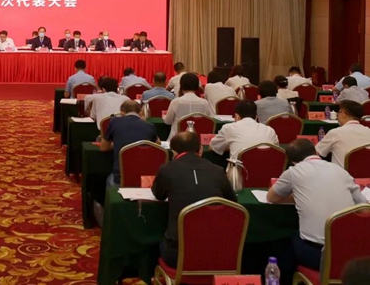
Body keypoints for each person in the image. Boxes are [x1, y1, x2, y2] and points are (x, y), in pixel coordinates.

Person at [267, 138, 366, 271]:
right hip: (349, 252)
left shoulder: (294, 171)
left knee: (283, 241)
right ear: (316, 152)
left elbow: (272, 197)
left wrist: (296, 197)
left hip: (317, 254)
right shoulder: (340, 170)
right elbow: (364, 209)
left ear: (293, 162)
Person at [152, 131, 236, 268]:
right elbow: (232, 203)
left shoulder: (166, 170)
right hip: (216, 250)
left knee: (153, 245)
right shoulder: (218, 171)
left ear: (174, 153)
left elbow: (158, 195)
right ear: (201, 149)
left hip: (178, 253)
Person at [100, 100, 159, 187]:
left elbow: (103, 148)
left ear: (122, 112)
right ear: (140, 112)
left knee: (109, 178)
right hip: (144, 178)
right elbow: (157, 144)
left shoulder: (114, 122)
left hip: (121, 177)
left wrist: (117, 143)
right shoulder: (149, 125)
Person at [210, 100, 279, 161]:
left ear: (236, 116)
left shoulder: (229, 128)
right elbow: (276, 150)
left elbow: (213, 147)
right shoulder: (270, 130)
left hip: (240, 171)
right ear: (256, 117)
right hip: (269, 170)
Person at [316, 100, 370, 168]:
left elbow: (317, 153)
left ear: (343, 114)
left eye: (338, 112)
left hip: (341, 174)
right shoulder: (368, 131)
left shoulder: (335, 133)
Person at [163, 73, 212, 140]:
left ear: (181, 85)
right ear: (197, 86)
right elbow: (209, 121)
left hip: (177, 139)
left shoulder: (176, 102)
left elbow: (168, 122)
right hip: (197, 140)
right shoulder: (205, 103)